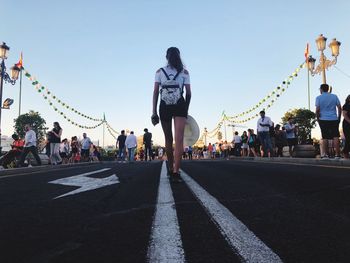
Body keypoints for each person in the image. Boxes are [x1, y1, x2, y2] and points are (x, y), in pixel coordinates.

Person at [151, 47, 191, 182]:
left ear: (166, 57)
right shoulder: (185, 72)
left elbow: (156, 92)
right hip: (180, 105)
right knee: (179, 140)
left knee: (168, 139)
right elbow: (189, 93)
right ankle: (176, 171)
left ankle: (169, 167)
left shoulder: (159, 72)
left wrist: (154, 112)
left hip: (164, 105)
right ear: (179, 56)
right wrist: (186, 109)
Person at [315, 84, 342, 159]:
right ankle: (337, 154)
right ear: (327, 89)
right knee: (336, 136)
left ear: (321, 89)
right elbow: (339, 107)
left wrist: (318, 119)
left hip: (323, 119)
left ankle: (325, 155)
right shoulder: (334, 96)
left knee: (325, 137)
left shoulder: (318, 98)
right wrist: (339, 117)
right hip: (334, 118)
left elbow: (317, 110)